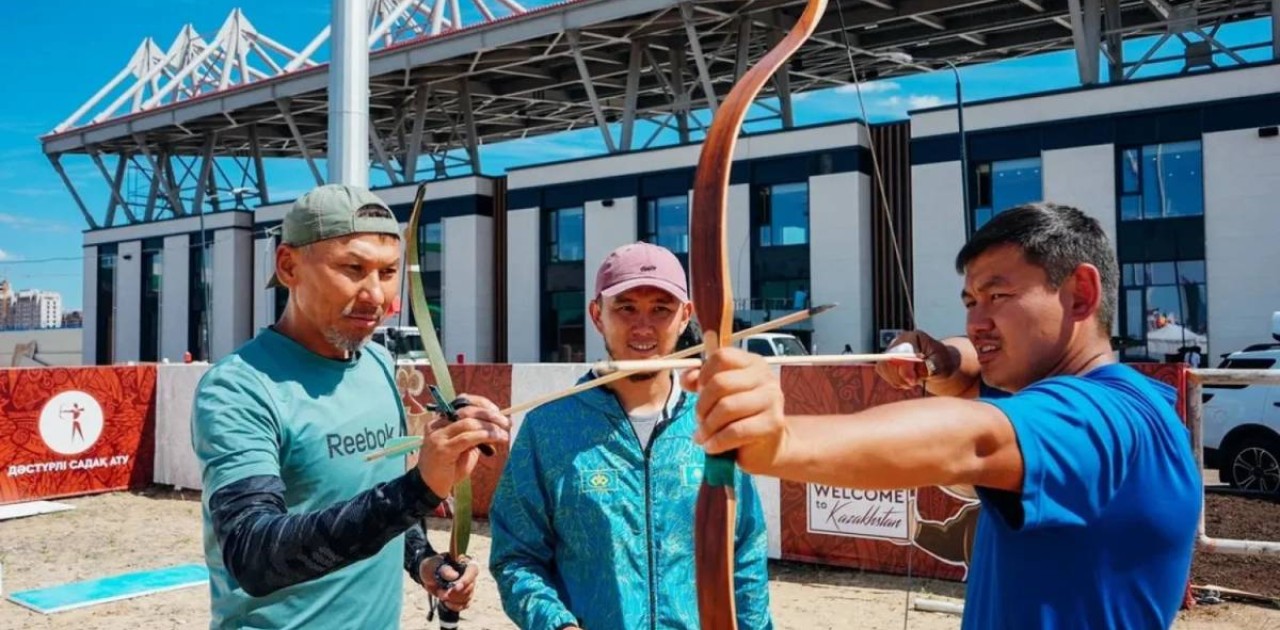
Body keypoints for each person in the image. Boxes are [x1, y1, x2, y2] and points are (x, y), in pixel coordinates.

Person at [682, 203, 1202, 629]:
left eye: (999, 296)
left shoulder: (1106, 418)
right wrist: (944, 360)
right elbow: (973, 373)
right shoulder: (1113, 400)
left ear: (1081, 294)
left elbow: (975, 439)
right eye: (970, 301)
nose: (977, 321)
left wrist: (782, 441)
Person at [190, 184, 510, 629]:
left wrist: (423, 561)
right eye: (353, 268)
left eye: (387, 272)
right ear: (288, 266)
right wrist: (419, 489)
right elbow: (253, 555)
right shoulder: (239, 388)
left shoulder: (377, 362)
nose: (376, 296)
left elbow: (375, 499)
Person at [488, 242, 773, 630]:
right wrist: (558, 626)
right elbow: (516, 557)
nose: (643, 327)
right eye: (625, 307)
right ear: (597, 315)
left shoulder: (715, 421)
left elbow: (745, 552)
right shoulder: (548, 429)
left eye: (661, 309)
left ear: (685, 315)